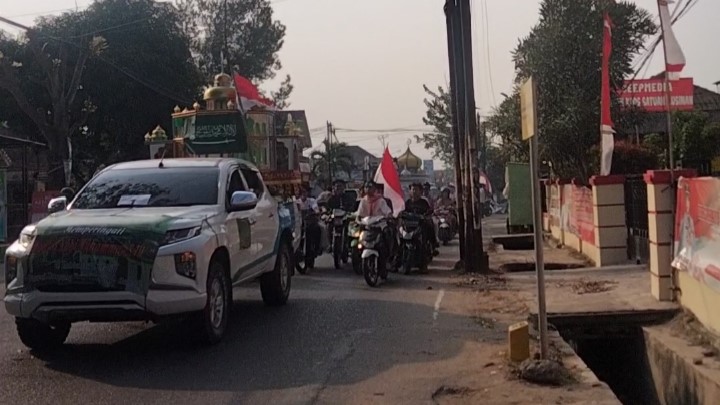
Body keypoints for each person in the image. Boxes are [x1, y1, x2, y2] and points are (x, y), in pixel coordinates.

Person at [405, 183, 439, 255]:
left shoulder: (424, 202)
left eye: (416, 189)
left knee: (430, 225)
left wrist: (425, 216)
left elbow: (429, 211)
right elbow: (403, 212)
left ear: (420, 191)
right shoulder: (407, 203)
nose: (414, 191)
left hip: (421, 224)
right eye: (413, 189)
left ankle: (433, 245)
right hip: (409, 225)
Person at [295, 187, 327, 254]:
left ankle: (319, 247)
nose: (304, 194)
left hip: (311, 221)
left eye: (305, 192)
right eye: (302, 193)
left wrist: (316, 211)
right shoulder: (296, 202)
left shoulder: (311, 201)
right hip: (299, 223)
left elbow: (315, 208)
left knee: (321, 228)